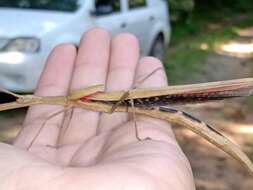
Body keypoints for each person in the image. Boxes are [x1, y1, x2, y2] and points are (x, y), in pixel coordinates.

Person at [0, 28, 195, 189]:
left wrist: (138, 137)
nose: (24, 100)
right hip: (119, 102)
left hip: (128, 101)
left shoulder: (72, 101)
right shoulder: (66, 103)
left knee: (129, 95)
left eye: (25, 100)